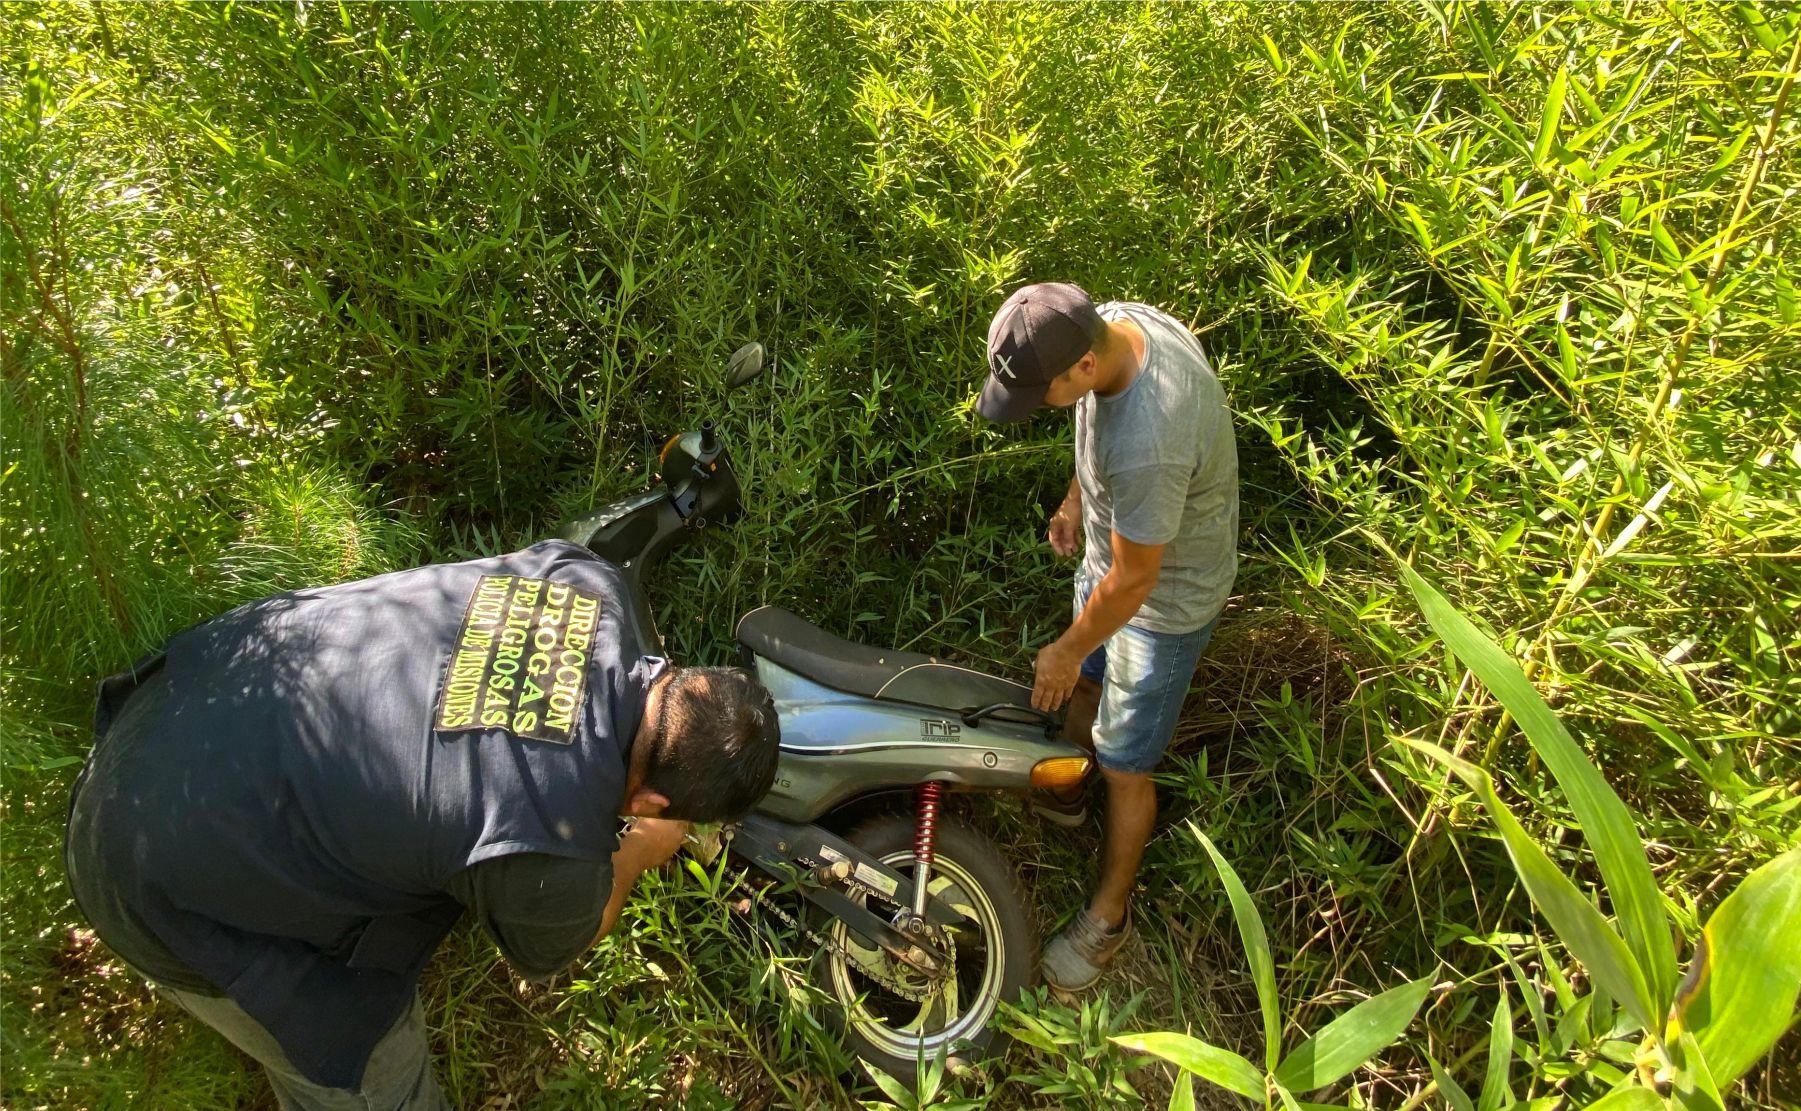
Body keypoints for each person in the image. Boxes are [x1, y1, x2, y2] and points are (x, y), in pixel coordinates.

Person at [64, 539, 780, 1109]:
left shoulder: (587, 580)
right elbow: (554, 945)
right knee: (368, 1066)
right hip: (140, 863)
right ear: (656, 804)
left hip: (179, 704)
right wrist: (635, 856)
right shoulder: (548, 840)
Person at [975, 282, 1238, 991]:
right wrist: (1075, 497)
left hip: (1161, 604)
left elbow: (1135, 582)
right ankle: (1068, 787)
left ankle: (1108, 918)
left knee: (1126, 759)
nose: (1040, 408)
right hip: (1111, 564)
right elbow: (1100, 433)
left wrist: (1062, 646)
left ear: (1082, 369)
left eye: (1042, 394)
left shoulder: (1151, 439)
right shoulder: (1118, 323)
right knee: (1083, 680)